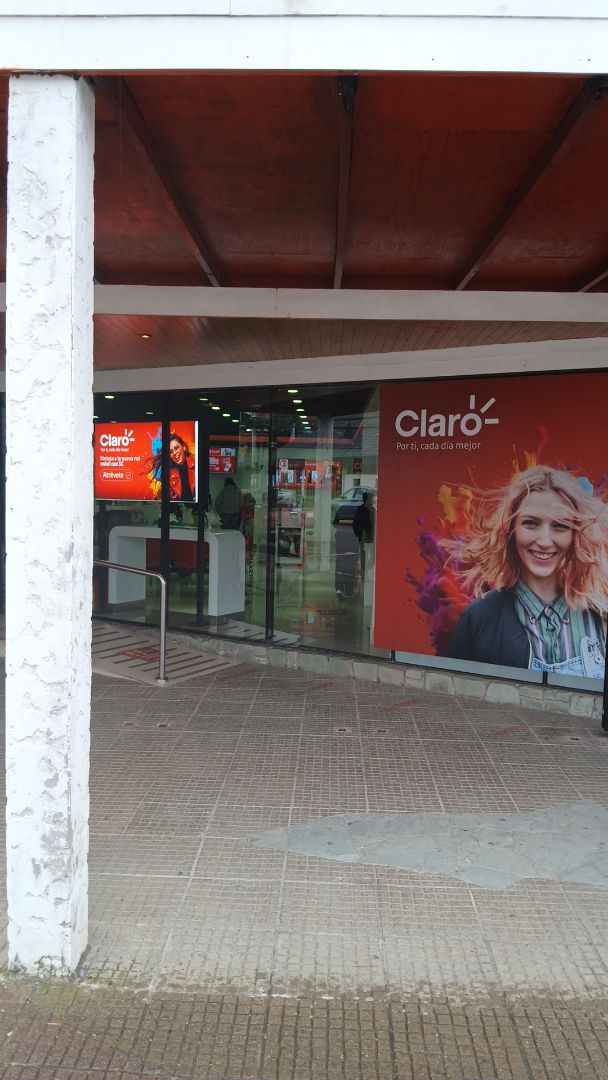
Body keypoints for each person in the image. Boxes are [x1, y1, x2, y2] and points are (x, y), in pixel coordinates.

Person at [448, 466, 608, 678]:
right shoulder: (478, 619)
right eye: (531, 523)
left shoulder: (601, 614)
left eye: (560, 526)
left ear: (575, 535)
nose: (544, 541)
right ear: (511, 529)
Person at [352, 492, 373, 583]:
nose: (372, 500)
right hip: (365, 536)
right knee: (364, 557)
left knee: (372, 556)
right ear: (367, 499)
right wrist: (359, 534)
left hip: (369, 537)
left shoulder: (371, 509)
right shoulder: (362, 510)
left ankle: (365, 572)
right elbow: (355, 524)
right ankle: (364, 574)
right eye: (371, 498)